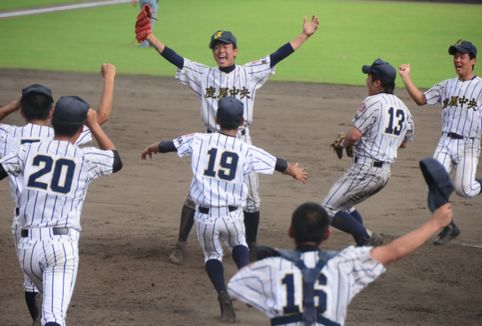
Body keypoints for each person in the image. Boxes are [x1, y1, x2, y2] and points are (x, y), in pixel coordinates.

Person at [142, 15, 319, 265]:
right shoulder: (204, 75)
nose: (220, 50)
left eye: (225, 46)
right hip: (210, 140)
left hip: (242, 141)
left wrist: (305, 34)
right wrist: (150, 37)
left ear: (235, 51)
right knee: (195, 196)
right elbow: (175, 57)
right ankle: (180, 243)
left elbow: (279, 54)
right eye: (216, 47)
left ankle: (253, 245)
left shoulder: (249, 72)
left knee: (252, 199)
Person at [141, 96, 308, 323]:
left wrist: (153, 147)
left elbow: (168, 145)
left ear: (217, 119)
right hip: (232, 216)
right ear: (241, 122)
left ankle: (223, 296)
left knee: (212, 255)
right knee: (239, 244)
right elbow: (277, 163)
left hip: (205, 217)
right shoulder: (246, 149)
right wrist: (294, 171)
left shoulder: (199, 140)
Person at [0, 63, 116, 326]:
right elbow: (102, 117)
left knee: (31, 279)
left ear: (23, 109)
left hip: (24, 225)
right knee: (56, 287)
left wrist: (11, 106)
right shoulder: (62, 137)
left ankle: (35, 318)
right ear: (52, 111)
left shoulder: (9, 135)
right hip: (59, 228)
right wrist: (109, 78)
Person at [227, 201, 453, 325]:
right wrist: (436, 223)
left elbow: (235, 288)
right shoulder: (345, 263)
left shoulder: (271, 268)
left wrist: (268, 261)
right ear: (328, 233)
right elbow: (395, 251)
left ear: (290, 231)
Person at [322, 59, 414, 246]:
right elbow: (404, 142)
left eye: (369, 77)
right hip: (384, 173)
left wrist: (343, 144)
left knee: (327, 209)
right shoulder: (404, 108)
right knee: (346, 207)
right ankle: (362, 246)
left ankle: (367, 237)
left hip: (366, 169)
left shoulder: (373, 101)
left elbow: (354, 135)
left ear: (377, 83)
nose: (366, 80)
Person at [399, 39, 482, 245]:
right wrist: (406, 77)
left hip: (469, 145)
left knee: (465, 189)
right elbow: (420, 99)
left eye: (462, 56)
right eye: (455, 56)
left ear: (473, 61)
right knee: (432, 187)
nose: (457, 60)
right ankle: (449, 226)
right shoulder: (446, 85)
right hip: (445, 142)